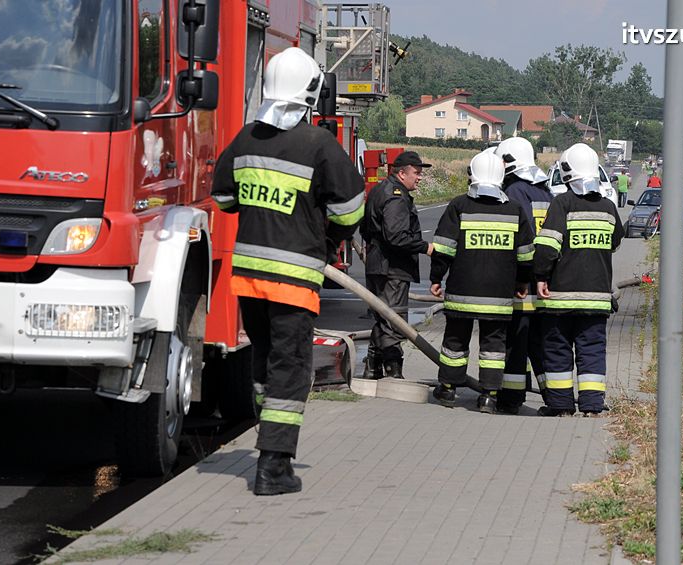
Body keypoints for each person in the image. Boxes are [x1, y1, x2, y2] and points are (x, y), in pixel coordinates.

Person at [212, 47, 365, 495]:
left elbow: (223, 199)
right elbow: (351, 210)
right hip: (294, 281)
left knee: (264, 362)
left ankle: (267, 440)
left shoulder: (244, 140)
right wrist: (326, 237)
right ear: (311, 92)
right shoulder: (318, 144)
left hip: (249, 280)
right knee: (291, 368)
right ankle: (273, 467)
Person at [429, 150, 534, 412]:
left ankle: (448, 389)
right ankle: (489, 396)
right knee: (494, 347)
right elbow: (526, 255)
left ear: (473, 175)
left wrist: (436, 277)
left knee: (455, 341)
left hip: (462, 293)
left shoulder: (459, 206)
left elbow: (443, 248)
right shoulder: (514, 210)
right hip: (498, 296)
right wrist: (522, 283)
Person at [533, 143, 624, 417]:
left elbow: (547, 247)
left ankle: (561, 406)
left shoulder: (562, 203)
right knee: (592, 351)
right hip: (596, 298)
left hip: (561, 298)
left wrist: (541, 276)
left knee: (558, 349)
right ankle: (592, 406)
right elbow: (616, 241)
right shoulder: (608, 207)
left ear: (567, 172)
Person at [361, 150, 434, 380]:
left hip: (378, 265)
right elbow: (396, 236)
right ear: (402, 174)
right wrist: (425, 247)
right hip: (392, 268)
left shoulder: (378, 190)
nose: (419, 177)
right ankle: (393, 371)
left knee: (383, 317)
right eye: (416, 173)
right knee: (394, 320)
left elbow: (365, 228)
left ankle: (373, 366)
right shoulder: (396, 197)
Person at [492, 137, 552, 414]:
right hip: (544, 282)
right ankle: (554, 396)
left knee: (516, 345)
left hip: (522, 283)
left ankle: (511, 399)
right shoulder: (544, 192)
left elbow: (519, 238)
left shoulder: (514, 191)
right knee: (540, 346)